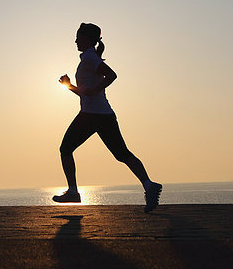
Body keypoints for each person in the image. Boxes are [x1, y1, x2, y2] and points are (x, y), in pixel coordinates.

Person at [54, 23, 162, 213]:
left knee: (65, 149)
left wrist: (95, 89)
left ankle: (73, 192)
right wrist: (69, 86)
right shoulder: (89, 58)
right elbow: (85, 93)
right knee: (122, 154)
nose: (75, 40)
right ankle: (149, 185)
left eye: (78, 37)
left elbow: (111, 75)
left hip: (91, 116)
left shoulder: (88, 57)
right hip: (103, 115)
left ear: (86, 38)